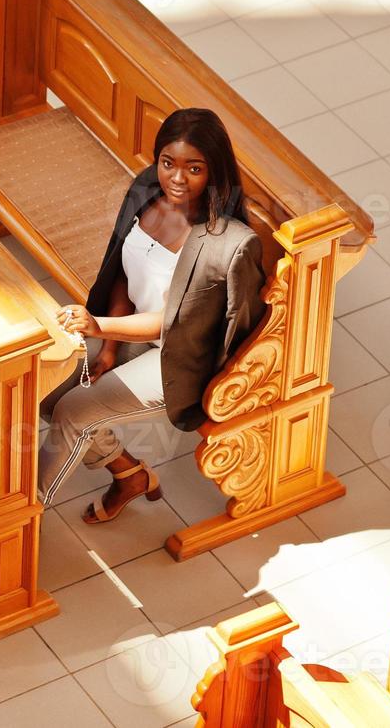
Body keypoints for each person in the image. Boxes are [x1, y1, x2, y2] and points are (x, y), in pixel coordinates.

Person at [39, 107, 267, 524]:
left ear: (214, 171)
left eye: (193, 169)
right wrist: (108, 348)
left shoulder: (225, 244)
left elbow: (174, 321)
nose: (176, 179)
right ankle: (129, 475)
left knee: (74, 411)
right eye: (168, 163)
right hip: (132, 330)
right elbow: (125, 271)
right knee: (50, 391)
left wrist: (100, 326)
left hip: (179, 359)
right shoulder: (147, 190)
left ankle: (19, 517)